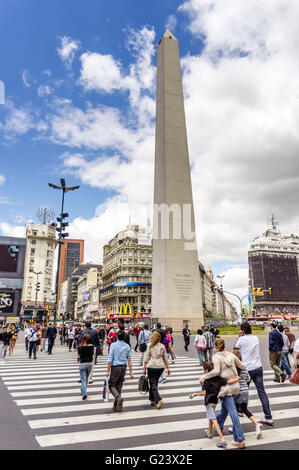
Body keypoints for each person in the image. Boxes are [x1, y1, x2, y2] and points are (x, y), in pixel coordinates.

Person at [200, 338, 246, 449]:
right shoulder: (231, 355)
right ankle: (219, 426)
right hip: (235, 386)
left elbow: (216, 371)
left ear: (216, 347)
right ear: (224, 345)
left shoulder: (216, 357)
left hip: (225, 387)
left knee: (233, 412)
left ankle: (239, 438)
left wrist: (203, 376)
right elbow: (243, 366)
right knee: (225, 409)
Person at [191, 361, 240, 448]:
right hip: (215, 401)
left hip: (209, 402)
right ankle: (209, 432)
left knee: (213, 419)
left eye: (203, 369)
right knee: (211, 417)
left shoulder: (206, 380)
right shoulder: (218, 378)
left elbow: (205, 393)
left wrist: (196, 394)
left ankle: (222, 439)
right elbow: (228, 381)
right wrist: (236, 379)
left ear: (206, 371)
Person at [234, 321, 274, 426]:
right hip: (258, 367)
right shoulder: (256, 338)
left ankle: (240, 411)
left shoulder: (241, 340)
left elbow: (235, 349)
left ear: (242, 330)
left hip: (246, 369)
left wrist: (238, 337)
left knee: (242, 391)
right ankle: (268, 417)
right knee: (261, 392)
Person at [231, 349, 263, 439]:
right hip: (245, 392)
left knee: (235, 411)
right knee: (245, 410)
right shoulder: (244, 368)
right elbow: (248, 379)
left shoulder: (233, 369)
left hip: (237, 392)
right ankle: (257, 424)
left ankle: (235, 428)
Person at [105, 330, 134, 412]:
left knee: (112, 385)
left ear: (116, 336)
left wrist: (108, 371)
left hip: (115, 367)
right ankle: (116, 405)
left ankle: (118, 398)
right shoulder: (127, 346)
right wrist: (131, 371)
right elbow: (129, 360)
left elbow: (110, 359)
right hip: (123, 367)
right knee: (119, 386)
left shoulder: (113, 345)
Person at [143, 331, 170, 409]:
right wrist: (168, 368)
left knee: (153, 383)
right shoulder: (162, 346)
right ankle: (152, 399)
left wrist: (144, 368)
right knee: (154, 383)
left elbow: (146, 358)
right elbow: (165, 358)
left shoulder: (149, 345)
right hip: (160, 367)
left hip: (151, 366)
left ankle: (158, 399)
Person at [77, 333, 94, 400]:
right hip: (89, 364)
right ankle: (83, 390)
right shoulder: (91, 346)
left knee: (83, 379)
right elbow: (92, 355)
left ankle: (84, 393)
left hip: (82, 364)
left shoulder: (80, 347)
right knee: (86, 378)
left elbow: (78, 357)